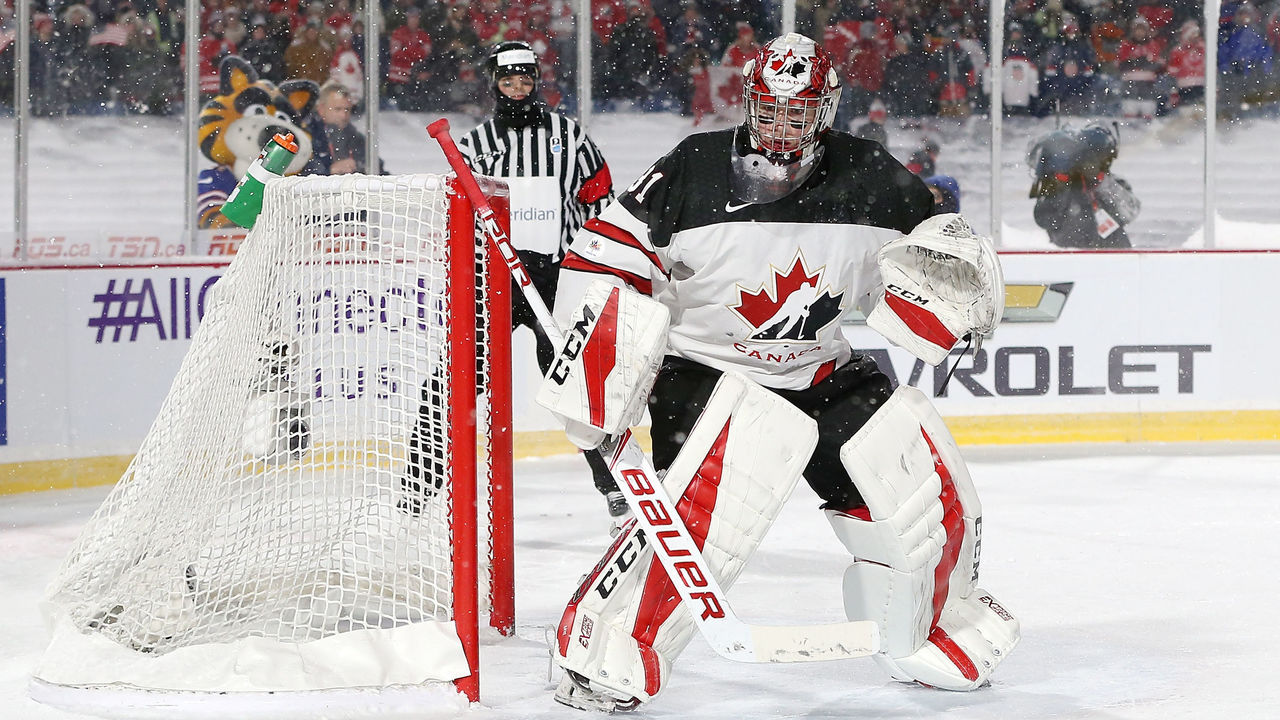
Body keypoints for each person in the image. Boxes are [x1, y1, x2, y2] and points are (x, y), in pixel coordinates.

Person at [545, 32, 1019, 712]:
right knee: (706, 515)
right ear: (749, 103)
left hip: (820, 369)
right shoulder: (695, 164)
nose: (780, 127)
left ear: (824, 112)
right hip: (704, 369)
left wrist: (960, 282)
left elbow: (934, 252)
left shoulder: (872, 176)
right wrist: (599, 352)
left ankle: (929, 625)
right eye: (769, 110)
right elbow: (602, 260)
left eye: (797, 114)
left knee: (916, 478)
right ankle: (606, 644)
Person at [404, 40, 623, 518]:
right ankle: (417, 486)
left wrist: (589, 261)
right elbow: (456, 215)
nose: (518, 89)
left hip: (555, 281)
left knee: (577, 379)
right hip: (497, 278)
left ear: (537, 81)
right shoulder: (475, 145)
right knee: (459, 371)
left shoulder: (571, 136)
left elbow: (601, 202)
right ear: (494, 84)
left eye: (526, 80)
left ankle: (616, 484)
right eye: (509, 81)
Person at [1028, 121, 1140, 248]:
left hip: (1114, 257)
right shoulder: (1056, 185)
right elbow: (1045, 219)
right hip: (1072, 260)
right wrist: (1061, 183)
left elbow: (1130, 212)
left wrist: (1100, 181)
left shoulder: (1113, 183)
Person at [315, 81, 382, 174]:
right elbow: (299, 173)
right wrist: (328, 171)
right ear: (321, 109)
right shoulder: (308, 137)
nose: (343, 115)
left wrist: (359, 167)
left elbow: (378, 169)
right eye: (338, 109)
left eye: (347, 109)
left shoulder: (356, 138)